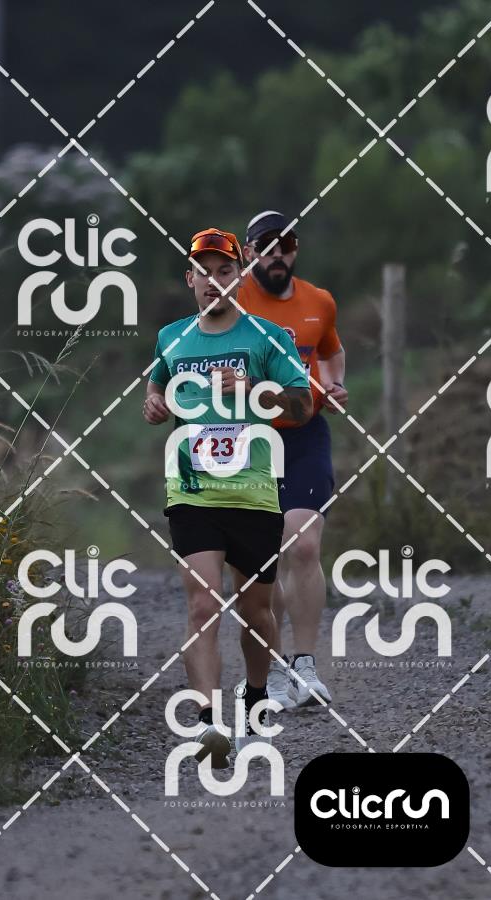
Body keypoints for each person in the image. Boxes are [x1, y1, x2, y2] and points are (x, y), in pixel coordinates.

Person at [143, 227, 312, 767]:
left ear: (240, 277)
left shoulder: (267, 338)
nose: (214, 281)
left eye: (224, 271)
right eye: (204, 272)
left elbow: (303, 405)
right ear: (189, 279)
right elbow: (157, 383)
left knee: (256, 612)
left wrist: (252, 389)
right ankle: (209, 725)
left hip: (253, 493)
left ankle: (256, 698)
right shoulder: (172, 338)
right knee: (201, 604)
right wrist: (154, 403)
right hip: (191, 491)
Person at [237, 210, 348, 709]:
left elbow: (330, 350)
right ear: (249, 252)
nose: (277, 254)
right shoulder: (233, 300)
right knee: (259, 561)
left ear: (295, 250)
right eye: (266, 246)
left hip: (304, 435)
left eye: (286, 245)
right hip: (247, 440)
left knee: (302, 545)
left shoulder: (319, 300)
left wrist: (335, 383)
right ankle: (275, 672)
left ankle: (306, 667)